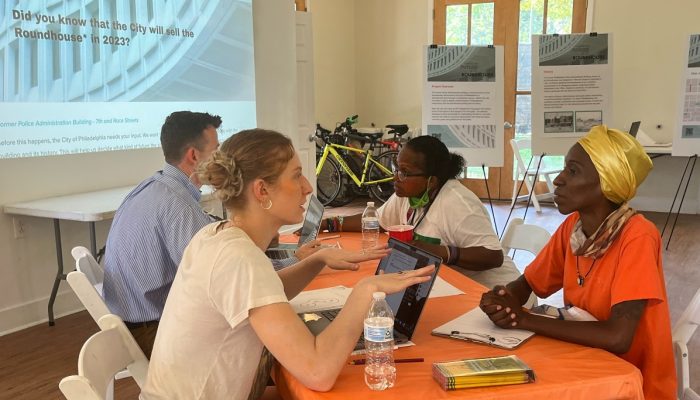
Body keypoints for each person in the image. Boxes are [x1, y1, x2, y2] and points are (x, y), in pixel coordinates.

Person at [140, 129, 434, 399]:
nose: (307, 187)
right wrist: (365, 292)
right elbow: (318, 372)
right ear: (262, 191)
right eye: (296, 176)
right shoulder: (240, 258)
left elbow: (265, 292)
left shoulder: (214, 236)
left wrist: (317, 259)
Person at [479, 125, 676, 399]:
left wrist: (523, 317)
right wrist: (502, 298)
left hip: (630, 379)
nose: (558, 180)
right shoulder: (574, 227)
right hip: (588, 360)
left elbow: (618, 337)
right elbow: (528, 284)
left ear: (608, 182)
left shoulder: (637, 236)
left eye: (573, 171)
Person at [102, 111, 316, 357]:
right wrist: (297, 260)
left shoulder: (155, 187)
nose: (224, 161)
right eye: (217, 150)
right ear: (194, 156)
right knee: (286, 340)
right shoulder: (177, 205)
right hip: (152, 332)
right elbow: (229, 274)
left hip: (132, 321)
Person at [326, 135, 521, 290]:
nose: (396, 177)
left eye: (404, 172)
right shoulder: (408, 194)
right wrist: (329, 223)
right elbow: (374, 221)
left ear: (432, 181)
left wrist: (445, 253)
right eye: (396, 168)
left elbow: (494, 257)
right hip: (448, 284)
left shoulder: (457, 203)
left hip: (492, 291)